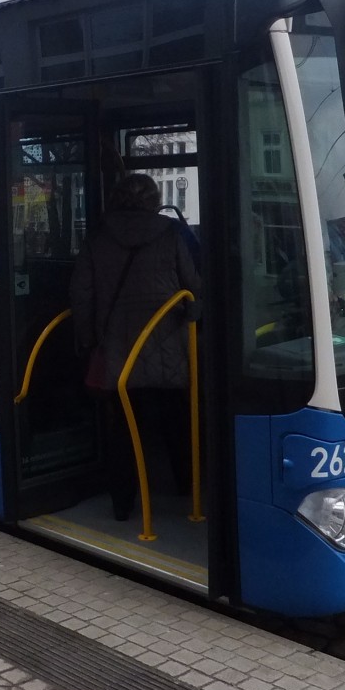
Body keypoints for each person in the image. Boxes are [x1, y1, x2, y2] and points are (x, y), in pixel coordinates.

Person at [69, 173, 202, 521]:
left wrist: (86, 339)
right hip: (168, 346)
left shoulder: (97, 238)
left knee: (123, 430)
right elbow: (193, 288)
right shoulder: (172, 234)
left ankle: (123, 505)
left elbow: (81, 295)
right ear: (154, 199)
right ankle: (188, 489)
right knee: (176, 421)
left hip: (117, 350)